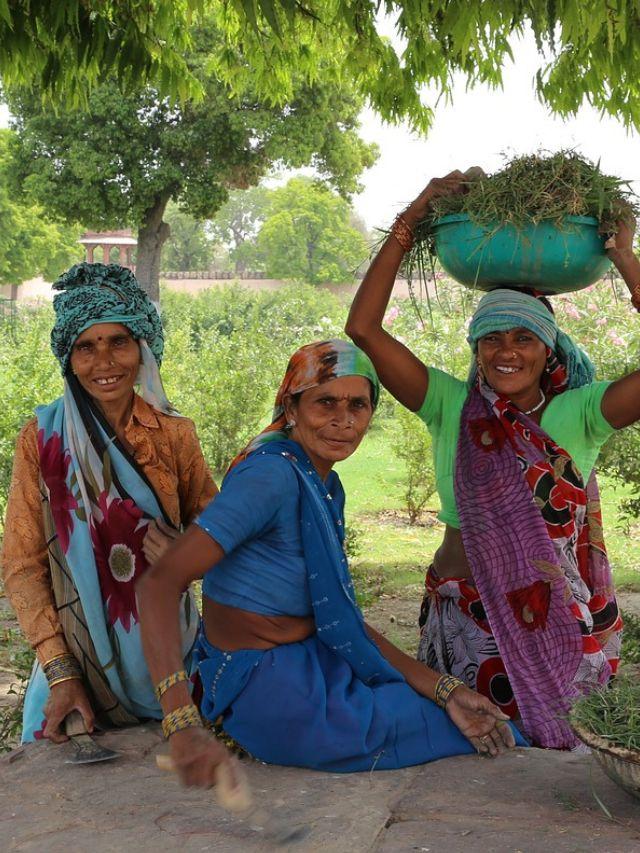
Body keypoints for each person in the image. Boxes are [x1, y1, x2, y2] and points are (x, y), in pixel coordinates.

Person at [137, 339, 523, 788]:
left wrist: (446, 689)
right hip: (271, 688)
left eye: (358, 405)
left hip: (313, 663)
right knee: (466, 731)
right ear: (292, 407)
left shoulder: (323, 485)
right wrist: (181, 724)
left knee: (449, 710)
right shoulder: (272, 477)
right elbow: (159, 585)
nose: (344, 421)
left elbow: (339, 619)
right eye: (326, 403)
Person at [344, 172, 640, 750]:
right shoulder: (450, 404)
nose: (507, 352)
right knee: (463, 759)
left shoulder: (581, 413)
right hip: (463, 623)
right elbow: (363, 328)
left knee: (555, 761)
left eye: (524, 339)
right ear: (476, 348)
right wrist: (415, 215)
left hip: (552, 625)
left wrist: (625, 257)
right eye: (492, 339)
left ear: (547, 348)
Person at [1, 262, 217, 743]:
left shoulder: (174, 437)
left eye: (118, 341)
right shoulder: (43, 439)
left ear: (142, 348)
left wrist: (185, 554)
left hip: (172, 663)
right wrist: (60, 671)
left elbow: (220, 535)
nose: (104, 363)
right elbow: (22, 563)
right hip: (77, 665)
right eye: (86, 347)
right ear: (68, 358)